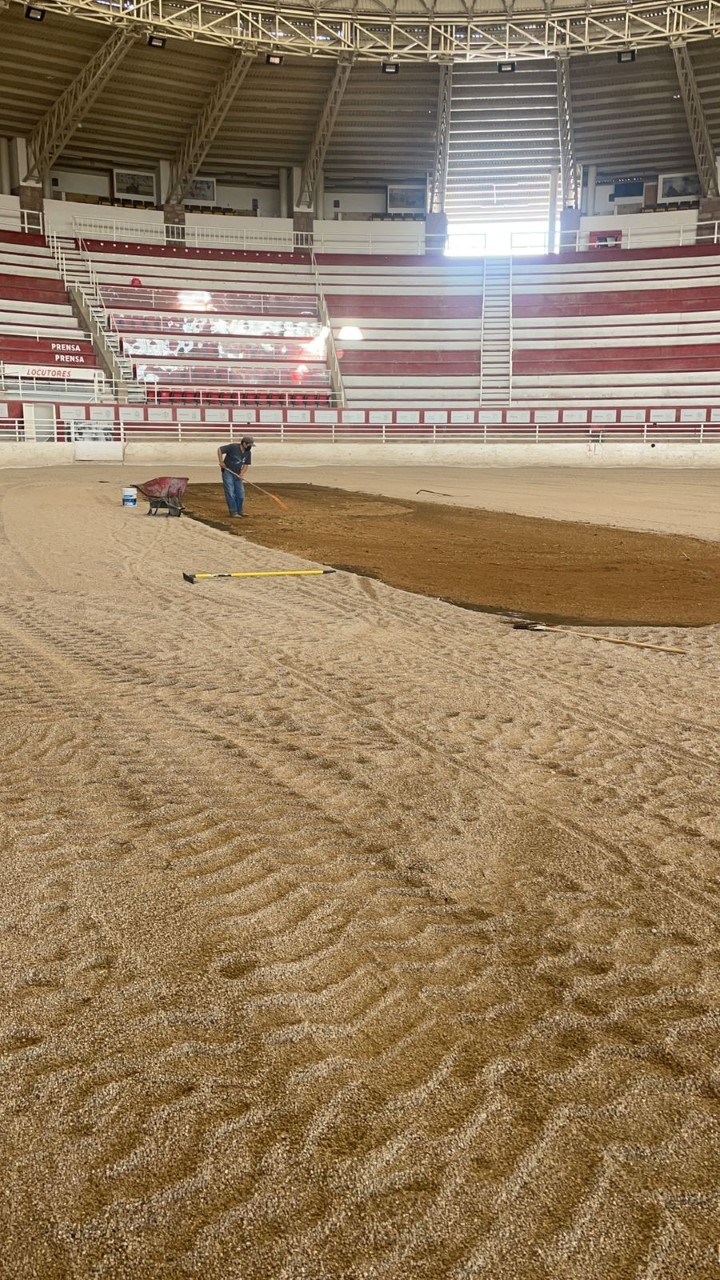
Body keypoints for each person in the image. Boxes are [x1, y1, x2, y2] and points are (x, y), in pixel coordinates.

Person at [217, 436, 254, 518]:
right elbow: (220, 449)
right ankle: (233, 511)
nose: (250, 447)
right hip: (228, 471)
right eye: (249, 445)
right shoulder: (233, 447)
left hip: (237, 473)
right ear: (244, 443)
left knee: (240, 493)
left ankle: (240, 511)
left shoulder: (248, 453)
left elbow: (246, 465)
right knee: (230, 492)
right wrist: (221, 461)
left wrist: (242, 473)